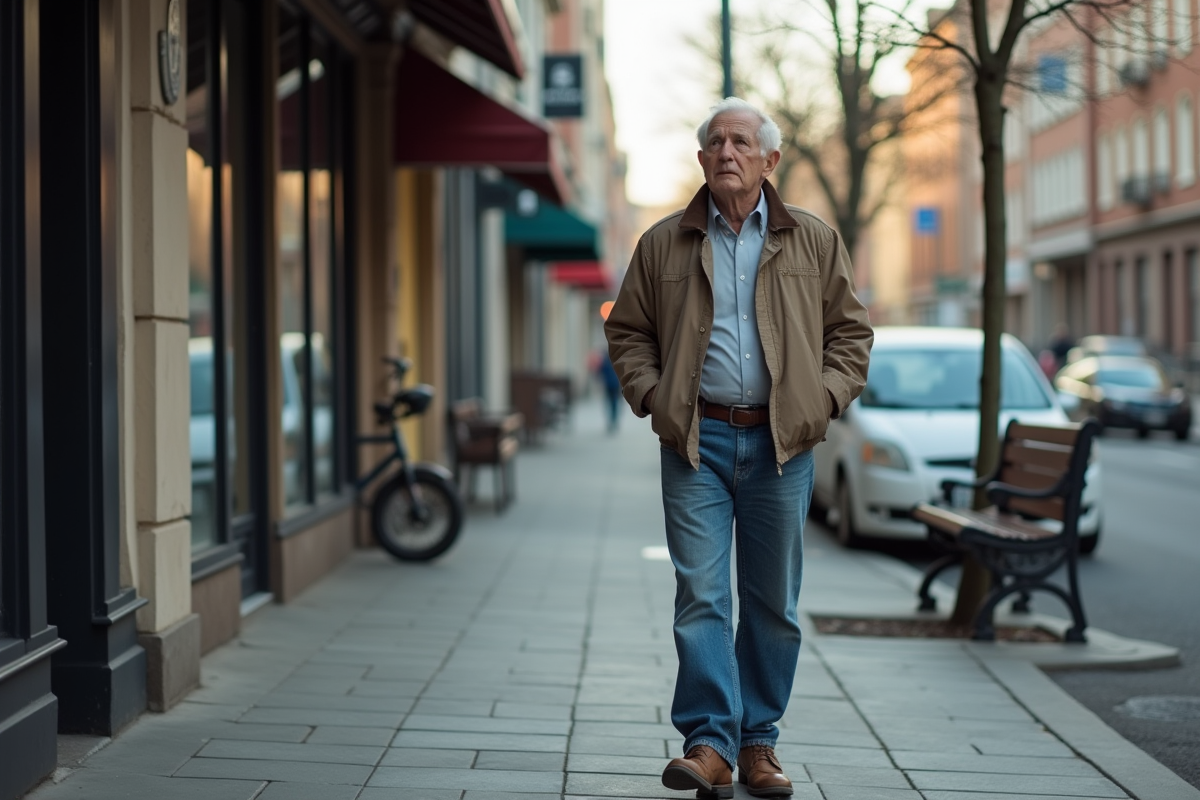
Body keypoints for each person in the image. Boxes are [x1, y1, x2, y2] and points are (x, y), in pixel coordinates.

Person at [604, 97, 873, 798]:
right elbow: (627, 332)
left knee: (772, 602)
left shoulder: (814, 240)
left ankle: (759, 744)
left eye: (742, 142)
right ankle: (709, 743)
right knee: (700, 594)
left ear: (770, 159)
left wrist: (822, 402)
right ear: (700, 159)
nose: (727, 152)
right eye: (716, 142)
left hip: (782, 447)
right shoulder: (664, 242)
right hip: (696, 442)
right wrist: (654, 398)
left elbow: (850, 336)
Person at [596, 348, 622, 433]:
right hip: (615, 385)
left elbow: (600, 372)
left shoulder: (605, 361)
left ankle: (611, 421)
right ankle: (614, 420)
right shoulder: (616, 361)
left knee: (609, 403)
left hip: (608, 385)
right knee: (614, 403)